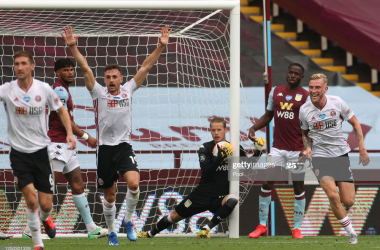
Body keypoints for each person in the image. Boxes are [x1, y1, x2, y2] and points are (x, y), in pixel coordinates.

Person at [61, 25, 171, 245]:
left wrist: (161, 45)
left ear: (121, 79)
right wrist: (73, 47)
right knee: (110, 197)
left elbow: (146, 67)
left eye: (114, 77)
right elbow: (84, 68)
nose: (111, 80)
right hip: (104, 151)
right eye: (108, 77)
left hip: (123, 147)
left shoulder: (129, 89)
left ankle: (128, 221)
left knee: (133, 184)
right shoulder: (98, 92)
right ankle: (112, 230)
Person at [22, 58, 108, 240]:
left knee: (78, 185)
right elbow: (64, 119)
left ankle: (91, 227)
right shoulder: (59, 90)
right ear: (58, 73)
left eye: (71, 69)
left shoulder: (64, 89)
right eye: (66, 70)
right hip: (57, 145)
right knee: (47, 188)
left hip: (66, 146)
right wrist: (86, 136)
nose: (70, 72)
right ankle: (31, 228)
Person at [0, 50, 76, 250]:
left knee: (45, 205)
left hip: (42, 153)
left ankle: (46, 218)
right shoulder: (7, 89)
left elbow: (61, 110)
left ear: (32, 66)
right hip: (18, 154)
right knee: (31, 201)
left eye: (24, 63)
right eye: (17, 64)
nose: (20, 67)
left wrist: (69, 132)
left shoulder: (44, 89)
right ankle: (37, 244)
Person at [139, 117, 245, 238]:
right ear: (210, 131)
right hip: (201, 195)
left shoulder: (235, 149)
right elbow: (206, 172)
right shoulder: (205, 148)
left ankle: (206, 229)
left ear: (226, 130)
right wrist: (218, 159)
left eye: (219, 130)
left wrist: (258, 151)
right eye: (213, 130)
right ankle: (150, 233)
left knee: (233, 199)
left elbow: (248, 167)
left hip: (220, 197)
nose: (216, 133)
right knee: (174, 216)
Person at [299, 73, 370, 244]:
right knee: (333, 196)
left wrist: (362, 149)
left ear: (325, 89)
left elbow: (355, 123)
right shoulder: (304, 110)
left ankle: (343, 198)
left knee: (349, 201)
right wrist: (307, 148)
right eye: (311, 87)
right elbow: (304, 134)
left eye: (317, 87)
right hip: (320, 158)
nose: (313, 91)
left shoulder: (337, 103)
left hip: (340, 156)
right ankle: (351, 233)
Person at [248, 63, 309, 239]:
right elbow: (268, 115)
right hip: (278, 149)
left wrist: (306, 148)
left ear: (301, 77)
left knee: (298, 186)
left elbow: (310, 125)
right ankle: (262, 225)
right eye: (290, 72)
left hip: (297, 150)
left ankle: (297, 228)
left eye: (296, 74)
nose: (292, 75)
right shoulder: (275, 91)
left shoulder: (305, 97)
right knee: (267, 183)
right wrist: (254, 128)